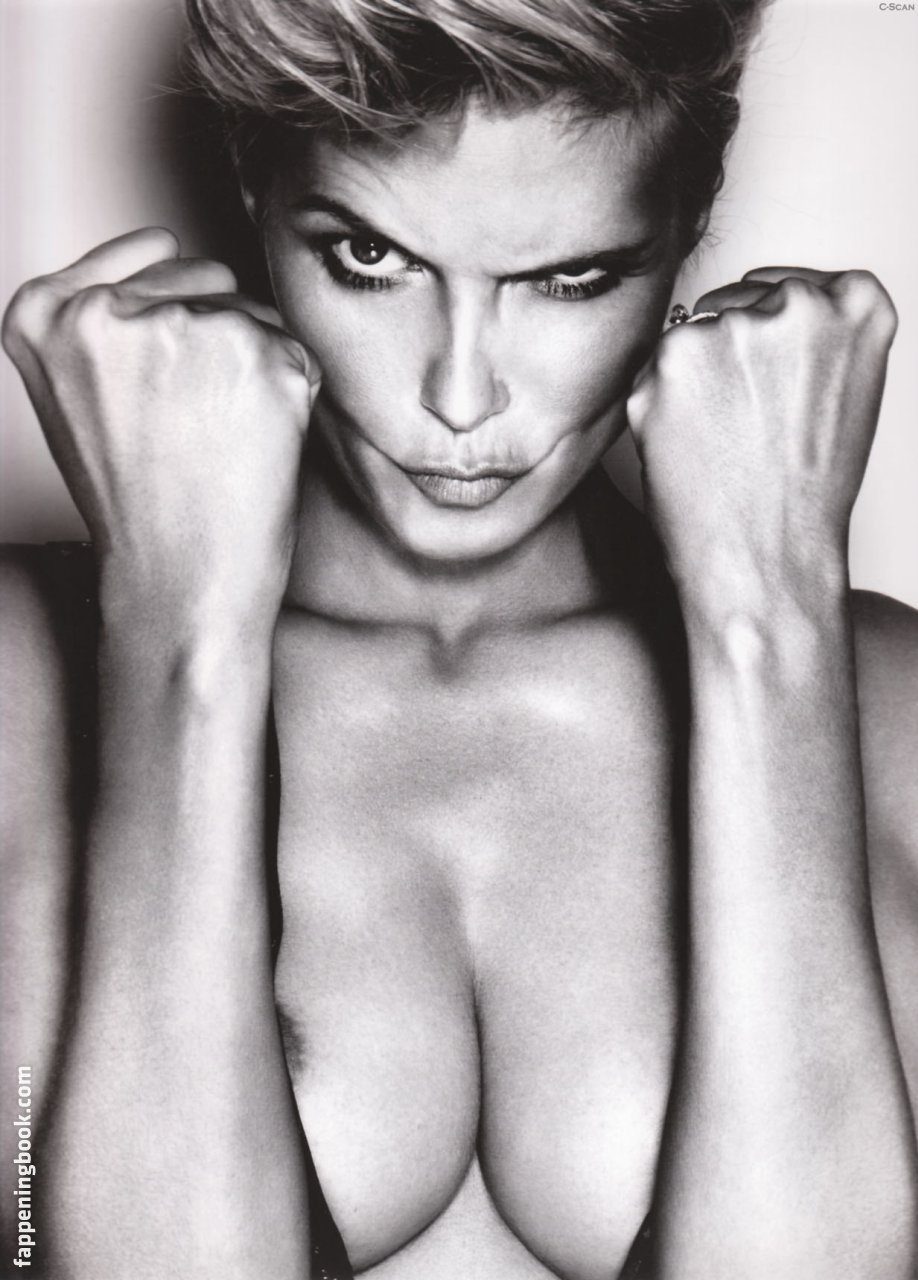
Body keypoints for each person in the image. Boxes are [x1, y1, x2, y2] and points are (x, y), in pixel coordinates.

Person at [2, 0, 917, 1277]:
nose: (460, 393)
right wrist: (180, 633)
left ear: (685, 228)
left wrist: (769, 616)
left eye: (570, 278)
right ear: (254, 190)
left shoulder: (880, 700)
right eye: (369, 257)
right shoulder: (23, 682)